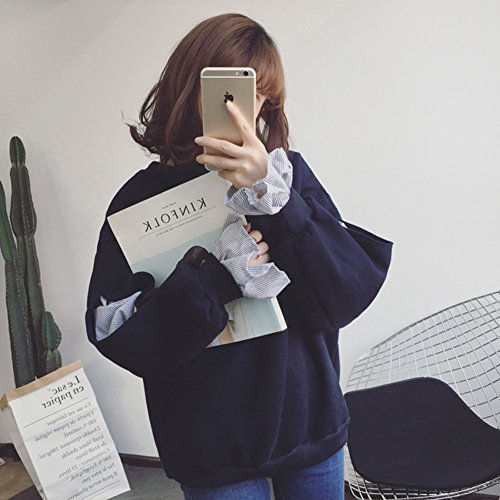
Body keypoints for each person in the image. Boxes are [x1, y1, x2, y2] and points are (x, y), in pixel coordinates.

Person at [85, 12, 393, 500]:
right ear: (191, 89)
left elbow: (344, 295)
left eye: (261, 96)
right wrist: (214, 280)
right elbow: (121, 338)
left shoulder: (287, 176)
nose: (248, 109)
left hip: (309, 423)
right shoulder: (139, 200)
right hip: (211, 444)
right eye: (230, 93)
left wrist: (278, 202)